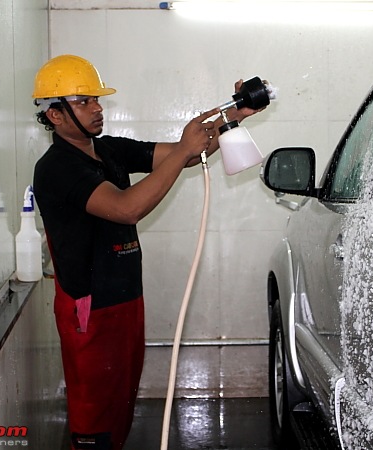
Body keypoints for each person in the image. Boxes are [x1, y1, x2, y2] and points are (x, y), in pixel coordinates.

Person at [31, 54, 263, 450]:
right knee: (94, 420)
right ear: (55, 115)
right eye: (85, 101)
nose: (98, 108)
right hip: (89, 309)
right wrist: (183, 150)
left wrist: (233, 115)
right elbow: (126, 207)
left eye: (96, 99)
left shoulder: (108, 151)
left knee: (119, 408)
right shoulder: (56, 167)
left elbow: (188, 152)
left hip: (125, 301)